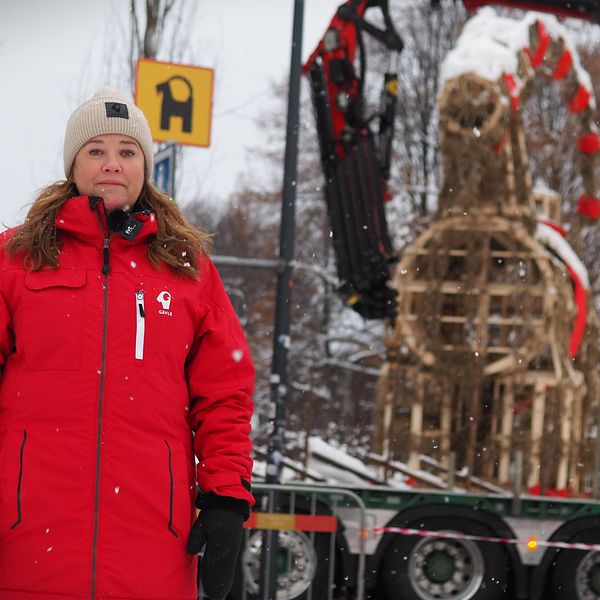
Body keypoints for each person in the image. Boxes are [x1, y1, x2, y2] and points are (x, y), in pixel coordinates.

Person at [0, 87, 255, 600]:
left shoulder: (186, 270)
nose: (111, 164)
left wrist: (226, 499)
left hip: (151, 552)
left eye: (127, 150)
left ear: (145, 163)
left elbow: (225, 395)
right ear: (73, 164)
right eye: (95, 150)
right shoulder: (17, 259)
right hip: (26, 543)